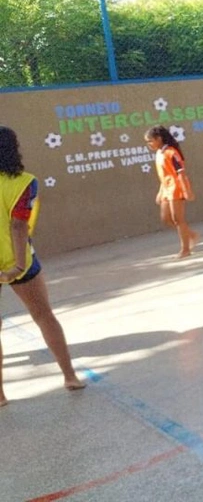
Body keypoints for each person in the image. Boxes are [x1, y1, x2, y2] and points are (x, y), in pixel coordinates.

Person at [0, 126, 84, 405]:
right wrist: (18, 265)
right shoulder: (26, 182)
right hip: (18, 262)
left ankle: (0, 395)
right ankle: (69, 375)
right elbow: (18, 224)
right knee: (43, 315)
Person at [144, 125, 198, 258]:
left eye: (150, 141)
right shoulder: (159, 153)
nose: (149, 144)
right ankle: (190, 235)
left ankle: (185, 249)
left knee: (178, 219)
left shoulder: (172, 153)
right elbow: (164, 175)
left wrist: (186, 190)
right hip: (166, 189)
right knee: (166, 218)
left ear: (159, 139)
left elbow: (181, 173)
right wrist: (160, 191)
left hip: (176, 188)